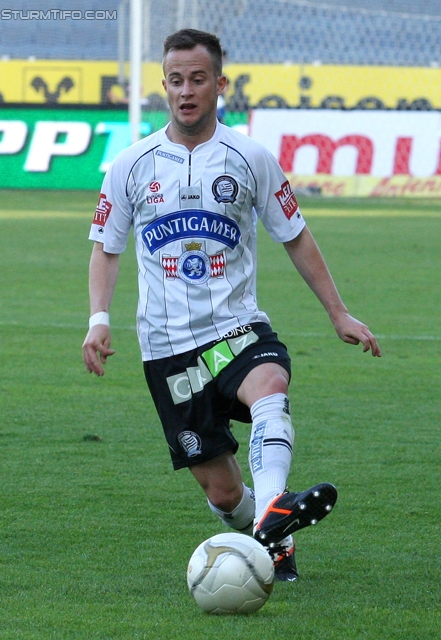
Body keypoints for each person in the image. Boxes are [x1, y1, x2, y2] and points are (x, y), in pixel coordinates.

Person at [82, 28, 381, 582]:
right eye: (176, 80)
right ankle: (269, 532)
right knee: (221, 492)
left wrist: (338, 312)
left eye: (199, 79)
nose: (187, 90)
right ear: (164, 86)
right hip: (167, 347)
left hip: (234, 329)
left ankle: (272, 514)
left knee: (269, 383)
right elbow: (106, 248)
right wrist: (98, 319)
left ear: (219, 84)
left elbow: (296, 234)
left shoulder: (250, 157)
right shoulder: (130, 165)